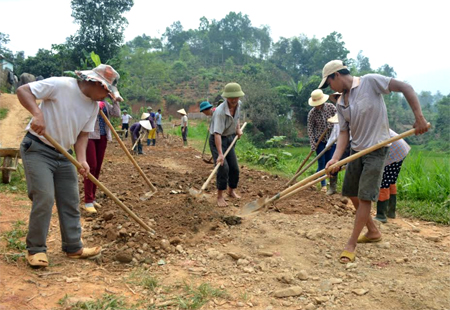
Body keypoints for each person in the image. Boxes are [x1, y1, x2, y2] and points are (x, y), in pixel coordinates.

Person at [321, 60, 428, 264]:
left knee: (365, 197)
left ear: (336, 75)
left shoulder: (370, 82)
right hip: (357, 150)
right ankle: (372, 232)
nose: (330, 88)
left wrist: (419, 117)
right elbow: (344, 133)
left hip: (377, 149)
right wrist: (335, 158)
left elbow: (405, 87)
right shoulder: (341, 102)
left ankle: (351, 244)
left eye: (329, 83)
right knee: (351, 192)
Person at [16, 63, 122, 267]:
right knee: (45, 197)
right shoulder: (61, 85)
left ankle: (73, 247)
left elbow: (82, 135)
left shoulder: (92, 107)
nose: (106, 97)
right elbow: (23, 91)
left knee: (71, 200)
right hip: (38, 148)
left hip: (64, 154)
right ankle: (36, 249)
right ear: (94, 82)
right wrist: (37, 114)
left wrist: (81, 160)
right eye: (106, 91)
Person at [209, 83, 244, 207]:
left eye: (236, 97)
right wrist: (220, 154)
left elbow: (237, 118)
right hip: (217, 140)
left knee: (234, 168)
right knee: (223, 167)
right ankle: (219, 196)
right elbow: (217, 133)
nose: (234, 100)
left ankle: (231, 191)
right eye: (231, 97)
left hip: (229, 137)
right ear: (226, 97)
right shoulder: (220, 112)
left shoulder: (238, 105)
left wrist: (238, 129)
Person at [83, 100, 121, 214]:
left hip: (102, 136)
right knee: (91, 166)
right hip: (89, 136)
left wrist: (116, 100)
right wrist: (95, 105)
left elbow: (116, 113)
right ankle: (88, 200)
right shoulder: (89, 100)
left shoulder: (106, 104)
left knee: (98, 168)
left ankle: (93, 198)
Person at [374, 129, 410, 223]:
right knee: (391, 181)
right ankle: (391, 212)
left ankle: (381, 215)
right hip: (400, 149)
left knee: (384, 181)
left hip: (394, 151)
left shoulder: (367, 126)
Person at [307, 89, 337, 193]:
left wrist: (332, 124)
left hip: (331, 140)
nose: (317, 106)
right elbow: (310, 129)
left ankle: (318, 180)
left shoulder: (331, 108)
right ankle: (323, 185)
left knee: (329, 164)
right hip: (320, 141)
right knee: (321, 162)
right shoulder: (312, 113)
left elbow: (339, 119)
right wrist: (313, 144)